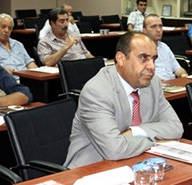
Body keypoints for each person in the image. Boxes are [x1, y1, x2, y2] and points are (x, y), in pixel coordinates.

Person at [64, 32, 184, 168]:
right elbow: (115, 149)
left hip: (138, 163)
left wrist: (136, 132)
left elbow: (176, 128)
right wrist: (155, 141)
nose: (151, 66)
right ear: (121, 58)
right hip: (91, 170)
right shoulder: (97, 91)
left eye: (154, 59)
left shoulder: (153, 83)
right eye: (143, 58)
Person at [142, 14, 188, 80]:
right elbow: (139, 73)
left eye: (160, 26)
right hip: (154, 84)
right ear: (144, 31)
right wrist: (155, 80)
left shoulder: (164, 47)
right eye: (153, 26)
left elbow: (178, 69)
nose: (158, 30)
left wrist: (183, 74)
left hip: (171, 83)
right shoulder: (140, 49)